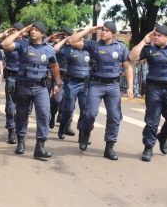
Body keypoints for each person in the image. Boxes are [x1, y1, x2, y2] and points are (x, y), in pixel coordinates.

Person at [70, 21, 133, 160]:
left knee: (114, 117)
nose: (103, 32)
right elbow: (72, 40)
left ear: (113, 33)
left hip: (113, 86)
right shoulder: (94, 45)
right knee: (90, 113)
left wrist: (130, 87)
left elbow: (128, 67)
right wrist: (88, 30)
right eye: (102, 30)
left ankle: (109, 147)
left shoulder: (121, 47)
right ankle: (86, 132)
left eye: (106, 30)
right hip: (96, 84)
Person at [129, 26, 167, 162]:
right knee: (152, 120)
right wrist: (144, 41)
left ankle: (163, 136)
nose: (155, 37)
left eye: (158, 35)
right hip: (153, 88)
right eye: (154, 35)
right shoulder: (150, 48)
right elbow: (132, 57)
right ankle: (148, 147)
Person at [1, 22, 61, 159]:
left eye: (36, 30)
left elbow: (54, 66)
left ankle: (40, 147)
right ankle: (20, 142)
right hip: (23, 87)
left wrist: (58, 84)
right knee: (21, 116)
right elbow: (5, 44)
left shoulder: (49, 49)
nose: (33, 32)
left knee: (45, 115)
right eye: (32, 30)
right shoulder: (23, 45)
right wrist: (21, 31)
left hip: (41, 87)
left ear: (42, 33)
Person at [0, 22, 25, 144]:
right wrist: (3, 34)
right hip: (12, 77)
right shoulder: (7, 44)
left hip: (25, 79)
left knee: (23, 107)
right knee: (10, 106)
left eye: (17, 30)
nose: (15, 32)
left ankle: (20, 131)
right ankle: (11, 130)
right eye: (13, 30)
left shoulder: (27, 43)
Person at [54, 32, 90, 142]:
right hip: (71, 83)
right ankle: (63, 126)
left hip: (85, 84)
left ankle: (82, 133)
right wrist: (65, 40)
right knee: (68, 108)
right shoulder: (69, 49)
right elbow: (55, 50)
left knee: (85, 110)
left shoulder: (90, 50)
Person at [50, 28, 73, 129]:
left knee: (69, 102)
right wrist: (64, 40)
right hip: (60, 76)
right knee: (57, 99)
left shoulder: (76, 47)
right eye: (63, 35)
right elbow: (54, 49)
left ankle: (66, 125)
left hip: (72, 78)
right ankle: (51, 115)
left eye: (67, 35)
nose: (65, 36)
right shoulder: (61, 47)